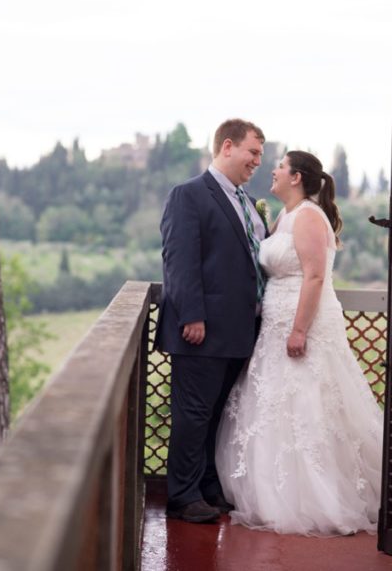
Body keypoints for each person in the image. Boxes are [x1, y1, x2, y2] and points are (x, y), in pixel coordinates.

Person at [215, 151, 382, 535]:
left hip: (300, 321)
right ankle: (275, 489)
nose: (272, 171)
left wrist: (300, 330)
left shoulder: (307, 216)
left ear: (296, 178)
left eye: (279, 166)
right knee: (278, 404)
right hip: (274, 322)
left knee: (309, 403)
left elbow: (315, 278)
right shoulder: (284, 216)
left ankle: (316, 497)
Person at [156, 118, 267, 523]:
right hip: (201, 329)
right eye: (252, 152)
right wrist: (192, 316)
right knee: (194, 413)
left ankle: (205, 485)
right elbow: (180, 259)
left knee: (217, 413)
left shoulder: (248, 202)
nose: (257, 161)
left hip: (240, 330)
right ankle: (182, 496)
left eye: (260, 155)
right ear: (226, 147)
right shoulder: (189, 194)